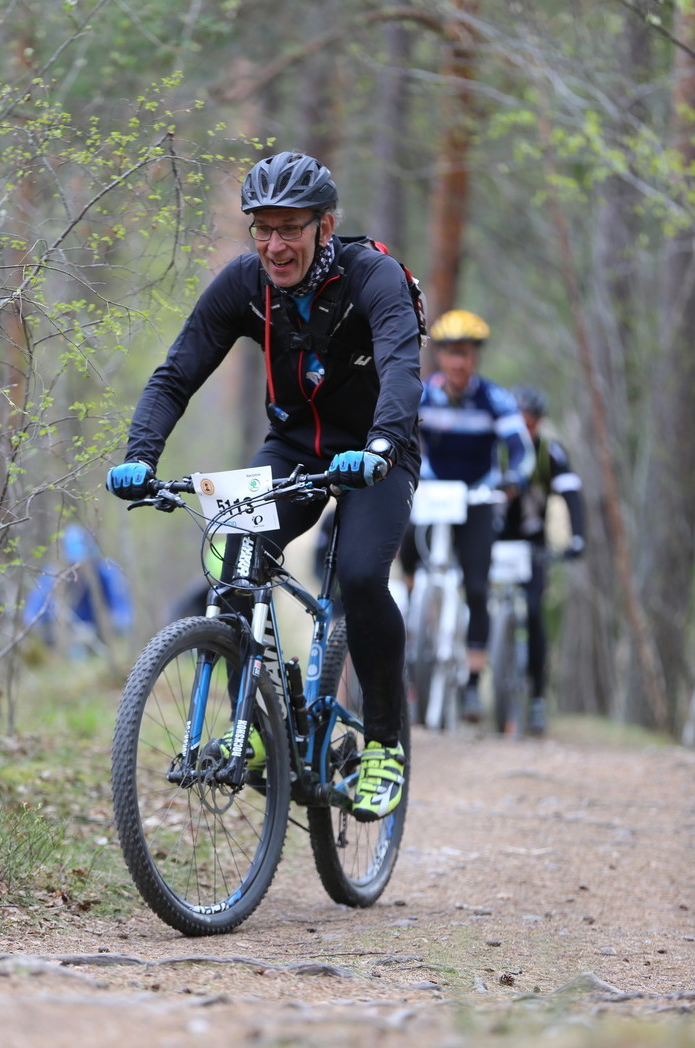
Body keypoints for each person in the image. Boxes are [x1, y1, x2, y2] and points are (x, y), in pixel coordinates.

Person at [106, 150, 423, 822]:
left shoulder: (374, 276)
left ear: (324, 225)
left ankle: (385, 743)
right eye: (263, 229)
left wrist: (381, 445)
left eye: (290, 229)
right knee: (232, 555)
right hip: (294, 450)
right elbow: (176, 374)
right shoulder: (245, 284)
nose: (274, 245)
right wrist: (140, 455)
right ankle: (250, 724)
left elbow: (401, 366)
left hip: (377, 449)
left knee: (360, 576)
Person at [401, 309, 535, 722]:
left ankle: (474, 684)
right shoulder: (422, 395)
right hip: (433, 493)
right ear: (440, 355)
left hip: (478, 497)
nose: (458, 362)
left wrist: (514, 477)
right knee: (406, 555)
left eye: (466, 353)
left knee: (477, 586)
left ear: (476, 357)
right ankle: (412, 638)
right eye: (451, 353)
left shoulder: (496, 399)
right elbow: (402, 434)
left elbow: (521, 449)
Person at [498, 386, 586, 734]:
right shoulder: (497, 447)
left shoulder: (551, 452)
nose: (525, 427)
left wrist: (577, 537)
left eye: (531, 422)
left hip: (533, 543)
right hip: (494, 540)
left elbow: (571, 495)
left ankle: (536, 697)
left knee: (534, 612)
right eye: (519, 420)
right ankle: (468, 685)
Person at [23, 523, 134, 654]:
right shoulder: (52, 575)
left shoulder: (106, 571)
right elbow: (31, 614)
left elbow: (123, 613)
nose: (78, 568)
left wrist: (109, 626)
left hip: (97, 633)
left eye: (82, 563)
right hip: (60, 637)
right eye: (73, 564)